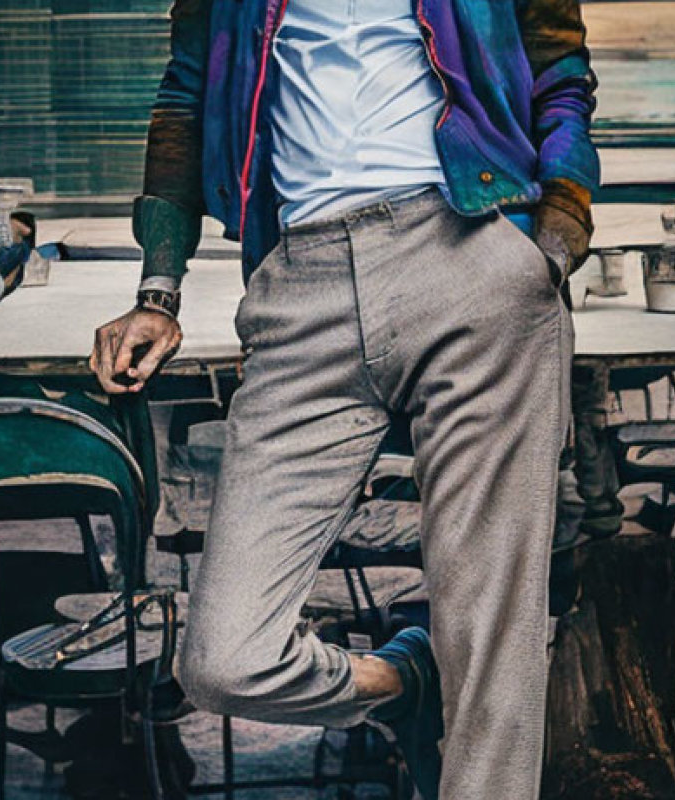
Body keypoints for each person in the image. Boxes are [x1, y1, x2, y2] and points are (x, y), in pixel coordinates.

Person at [90, 1, 599, 797]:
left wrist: (553, 237)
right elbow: (184, 96)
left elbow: (560, 76)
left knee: (491, 630)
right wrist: (159, 288)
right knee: (223, 661)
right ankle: (404, 681)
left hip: (471, 250)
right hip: (302, 282)